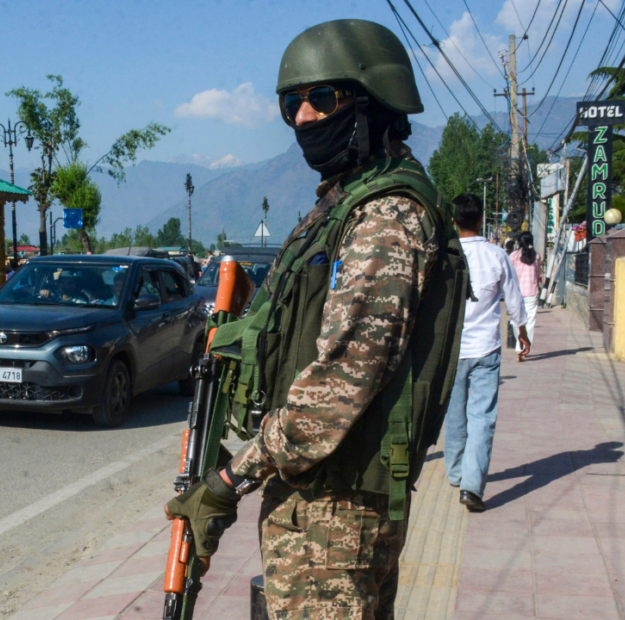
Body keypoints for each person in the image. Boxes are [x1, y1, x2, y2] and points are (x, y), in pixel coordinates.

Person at [165, 20, 464, 619]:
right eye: (291, 104)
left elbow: (339, 387)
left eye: (322, 98)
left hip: (334, 514)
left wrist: (229, 481)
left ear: (374, 100)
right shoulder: (344, 203)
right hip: (323, 506)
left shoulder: (385, 216)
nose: (303, 118)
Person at [444, 194, 530, 513]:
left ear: (454, 221)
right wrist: (522, 332)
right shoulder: (497, 255)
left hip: (452, 349)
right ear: (481, 219)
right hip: (486, 349)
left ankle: (456, 474)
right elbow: (514, 299)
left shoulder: (446, 255)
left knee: (454, 414)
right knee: (482, 417)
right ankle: (471, 485)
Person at [509, 231, 543, 361]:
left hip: (516, 293)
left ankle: (519, 346)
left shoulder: (513, 256)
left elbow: (509, 274)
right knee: (530, 321)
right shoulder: (536, 256)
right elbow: (538, 274)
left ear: (519, 242)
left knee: (516, 320)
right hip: (531, 292)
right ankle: (523, 348)